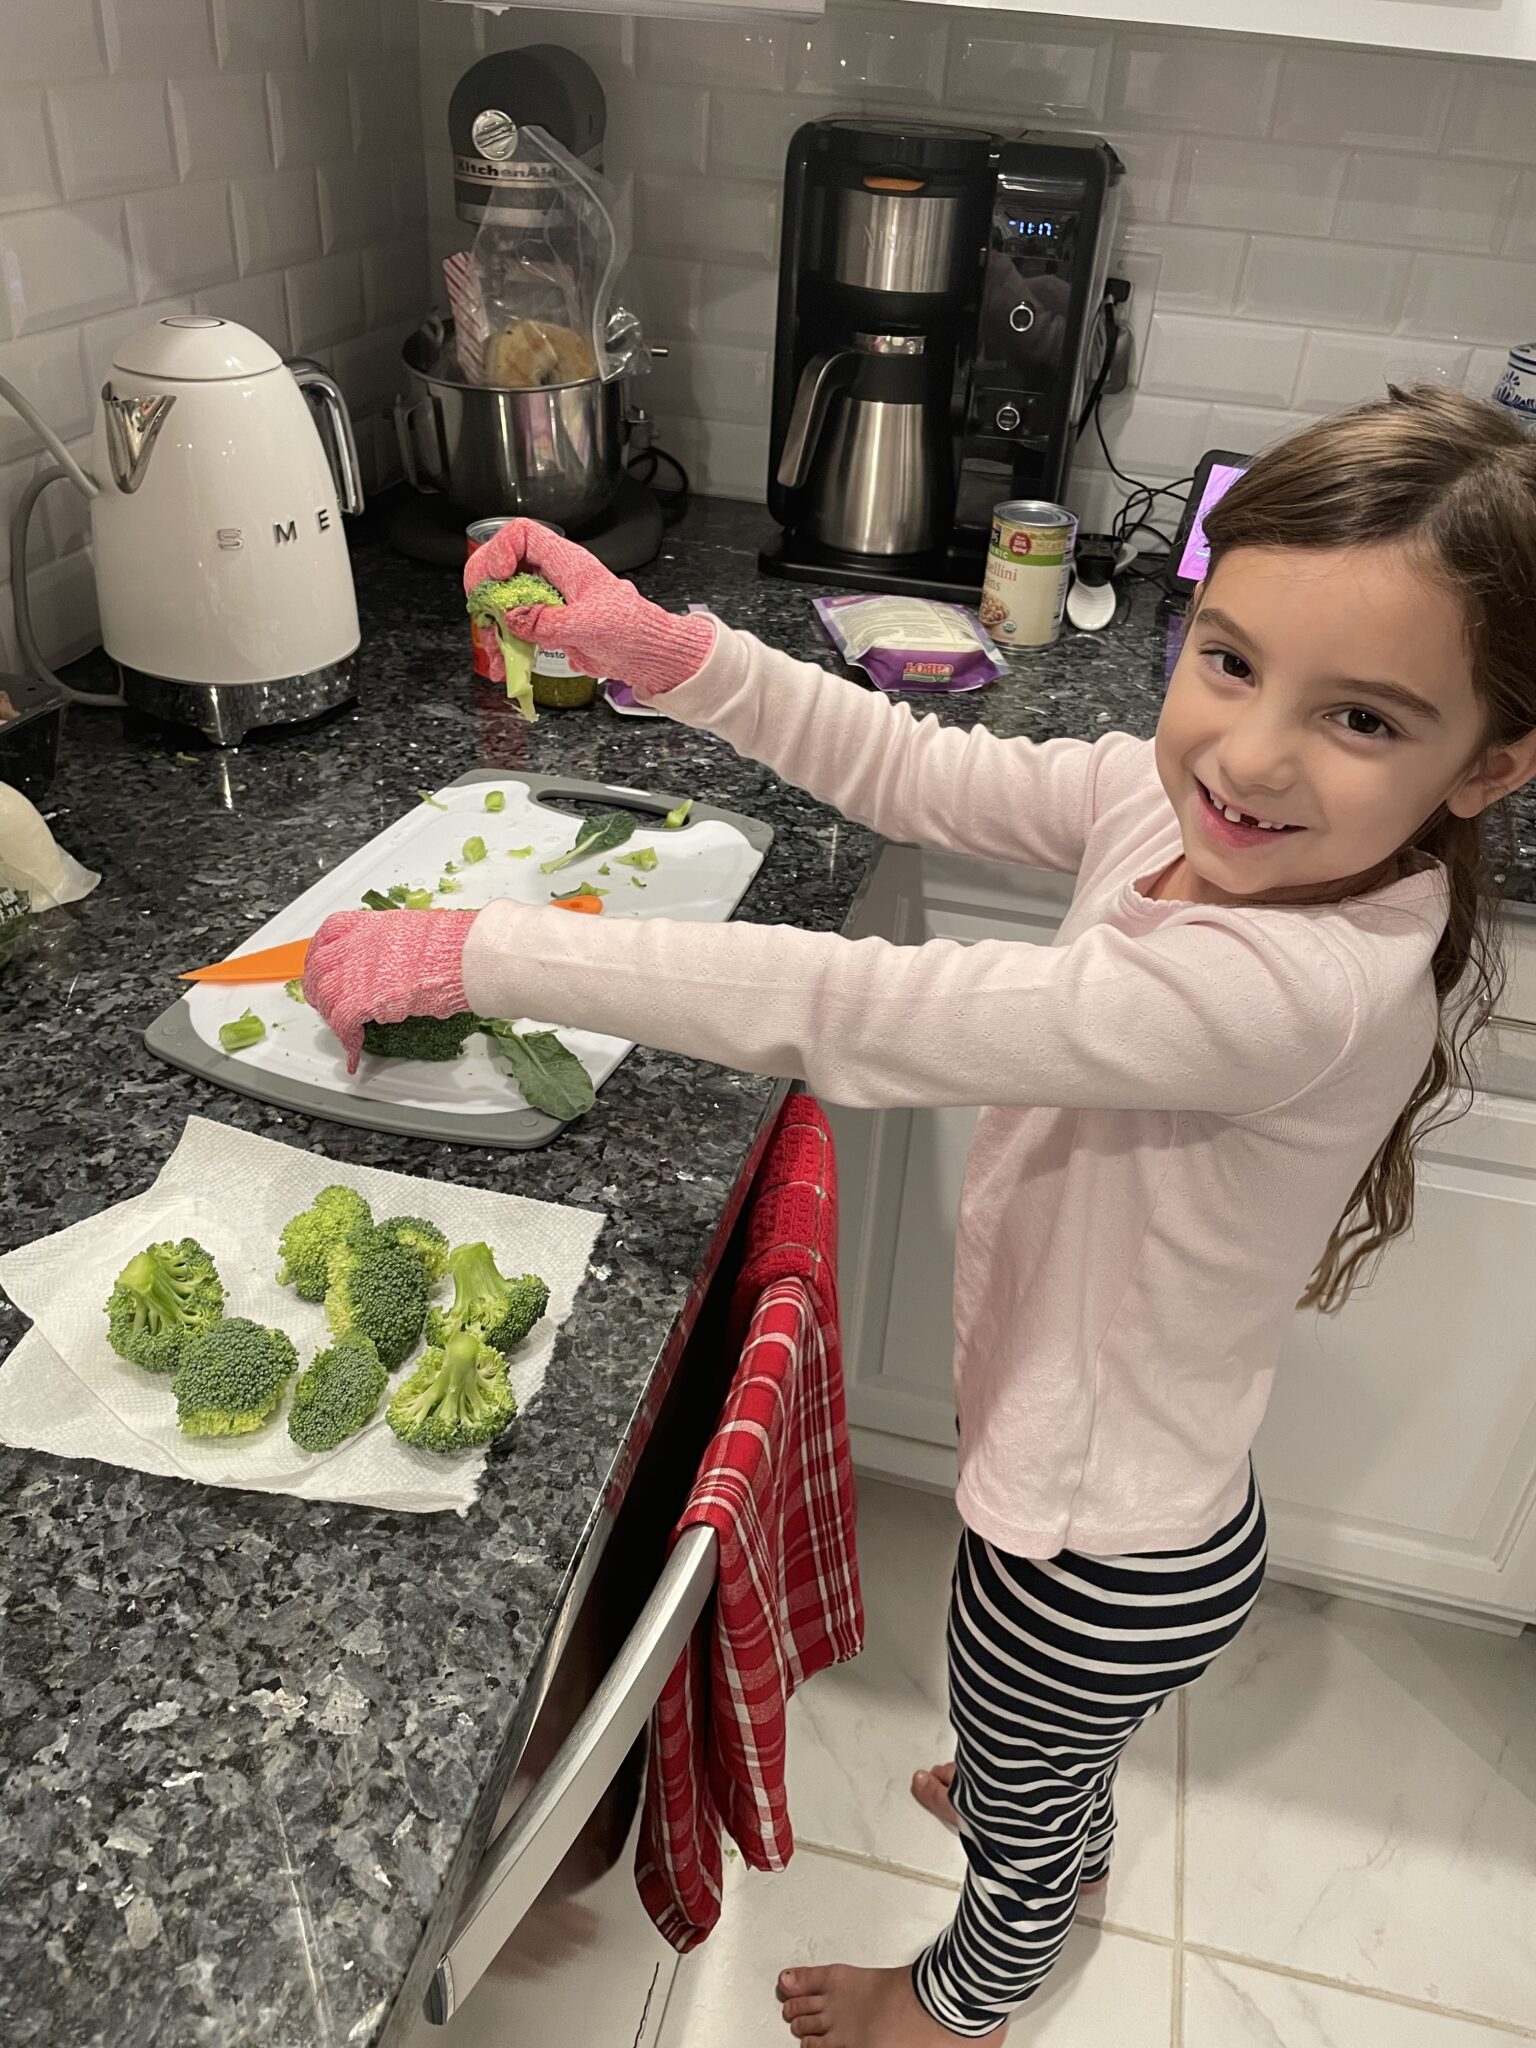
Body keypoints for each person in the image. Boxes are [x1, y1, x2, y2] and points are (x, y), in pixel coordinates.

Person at [305, 386, 1536, 2047]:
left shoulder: (1278, 982)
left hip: (1094, 1544)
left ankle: (966, 1996)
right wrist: (669, 652)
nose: (1250, 753)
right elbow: (917, 764)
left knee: (1013, 1780)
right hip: (1154, 1497)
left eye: (1366, 720)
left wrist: (483, 953)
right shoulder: (1196, 824)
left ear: (1495, 763)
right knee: (1037, 1746)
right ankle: (1055, 1795)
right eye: (1230, 660)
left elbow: (867, 1006)